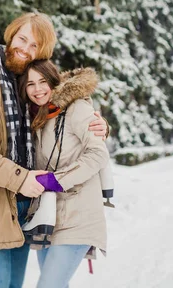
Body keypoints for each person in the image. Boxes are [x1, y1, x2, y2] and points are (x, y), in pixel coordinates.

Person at [0, 12, 108, 288]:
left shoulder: (28, 86)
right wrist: (22, 178)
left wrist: (100, 124)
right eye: (22, 39)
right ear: (10, 36)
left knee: (14, 285)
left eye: (34, 46)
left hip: (27, 203)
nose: (25, 48)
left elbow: (68, 111)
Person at [19, 60, 109, 288]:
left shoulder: (76, 108)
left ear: (53, 81)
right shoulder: (36, 116)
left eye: (42, 82)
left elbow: (98, 154)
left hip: (78, 216)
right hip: (47, 218)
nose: (37, 89)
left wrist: (55, 180)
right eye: (30, 84)